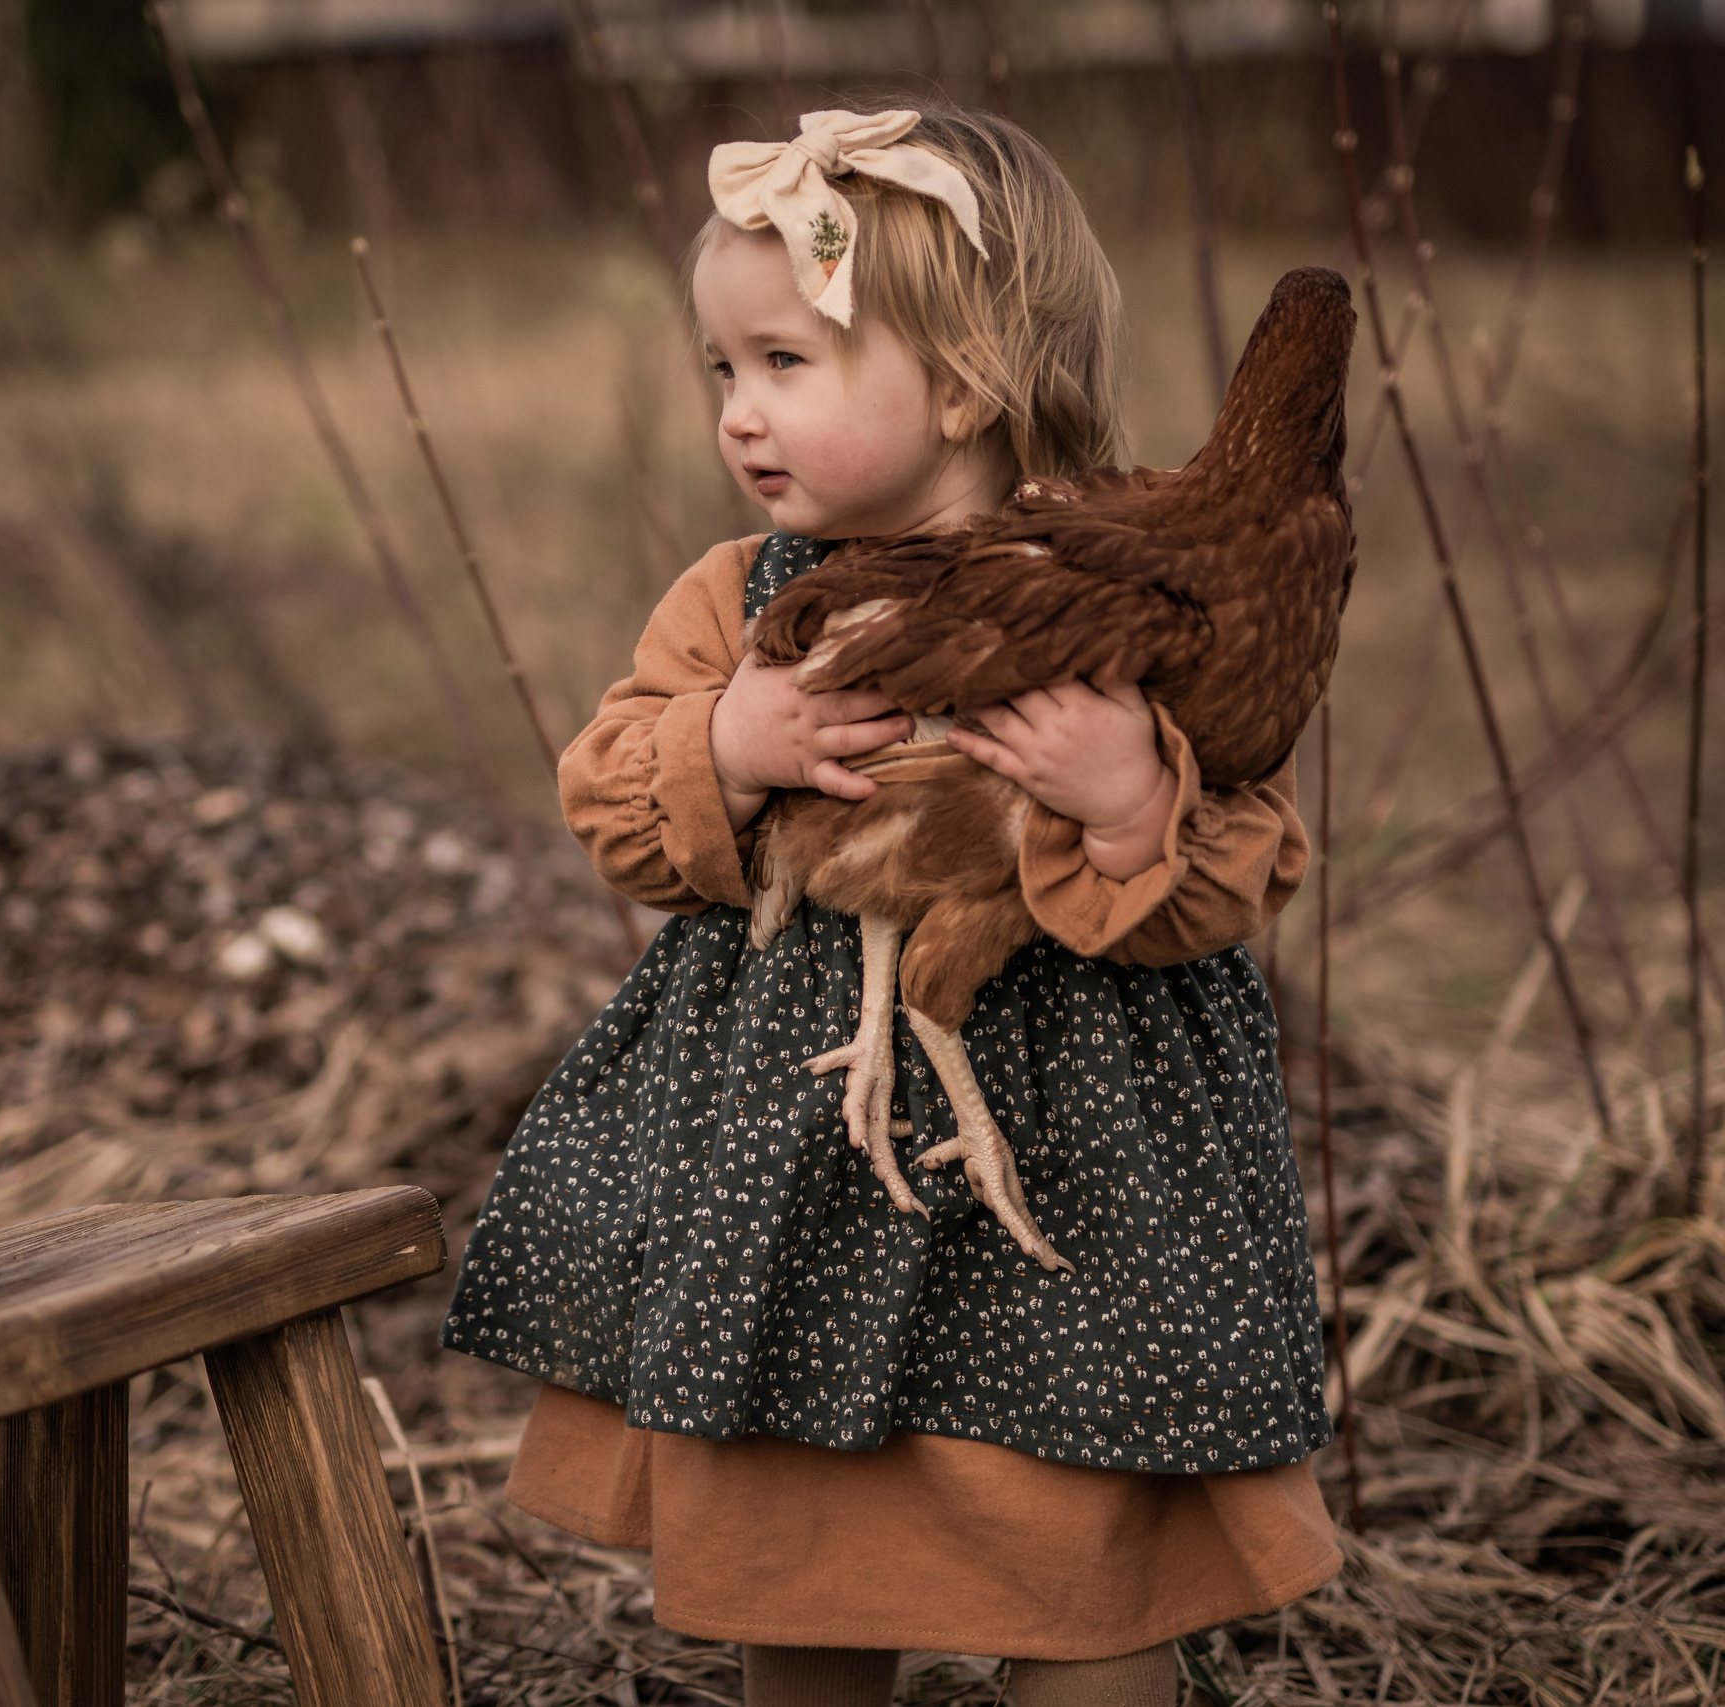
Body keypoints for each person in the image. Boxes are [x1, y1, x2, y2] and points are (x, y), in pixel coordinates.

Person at [444, 101, 1342, 1707]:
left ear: (964, 387)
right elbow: (611, 800)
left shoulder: (1125, 589)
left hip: (1088, 1181)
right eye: (723, 371)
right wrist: (726, 744)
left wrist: (1132, 799)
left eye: (786, 363)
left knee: (1089, 1556)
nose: (738, 413)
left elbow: (1242, 869)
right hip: (798, 1177)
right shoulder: (743, 601)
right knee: (812, 1553)